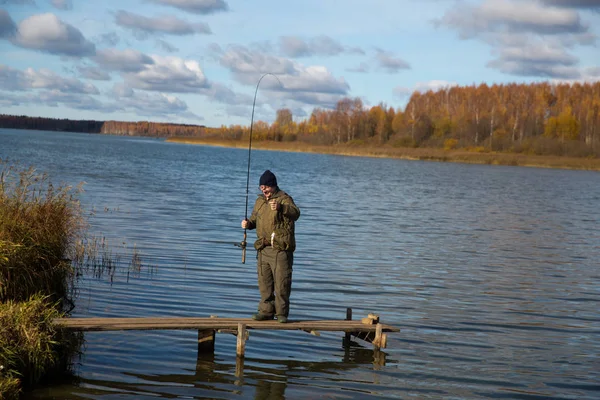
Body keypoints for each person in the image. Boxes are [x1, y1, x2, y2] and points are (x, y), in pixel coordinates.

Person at [241, 170, 300, 323]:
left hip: (280, 250)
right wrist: (248, 224)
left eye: (266, 187)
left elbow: (296, 213)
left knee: (281, 283)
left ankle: (281, 314)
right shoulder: (260, 201)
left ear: (273, 186)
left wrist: (281, 207)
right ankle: (266, 311)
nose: (264, 190)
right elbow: (254, 220)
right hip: (263, 249)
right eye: (261, 187)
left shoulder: (284, 199)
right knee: (264, 284)